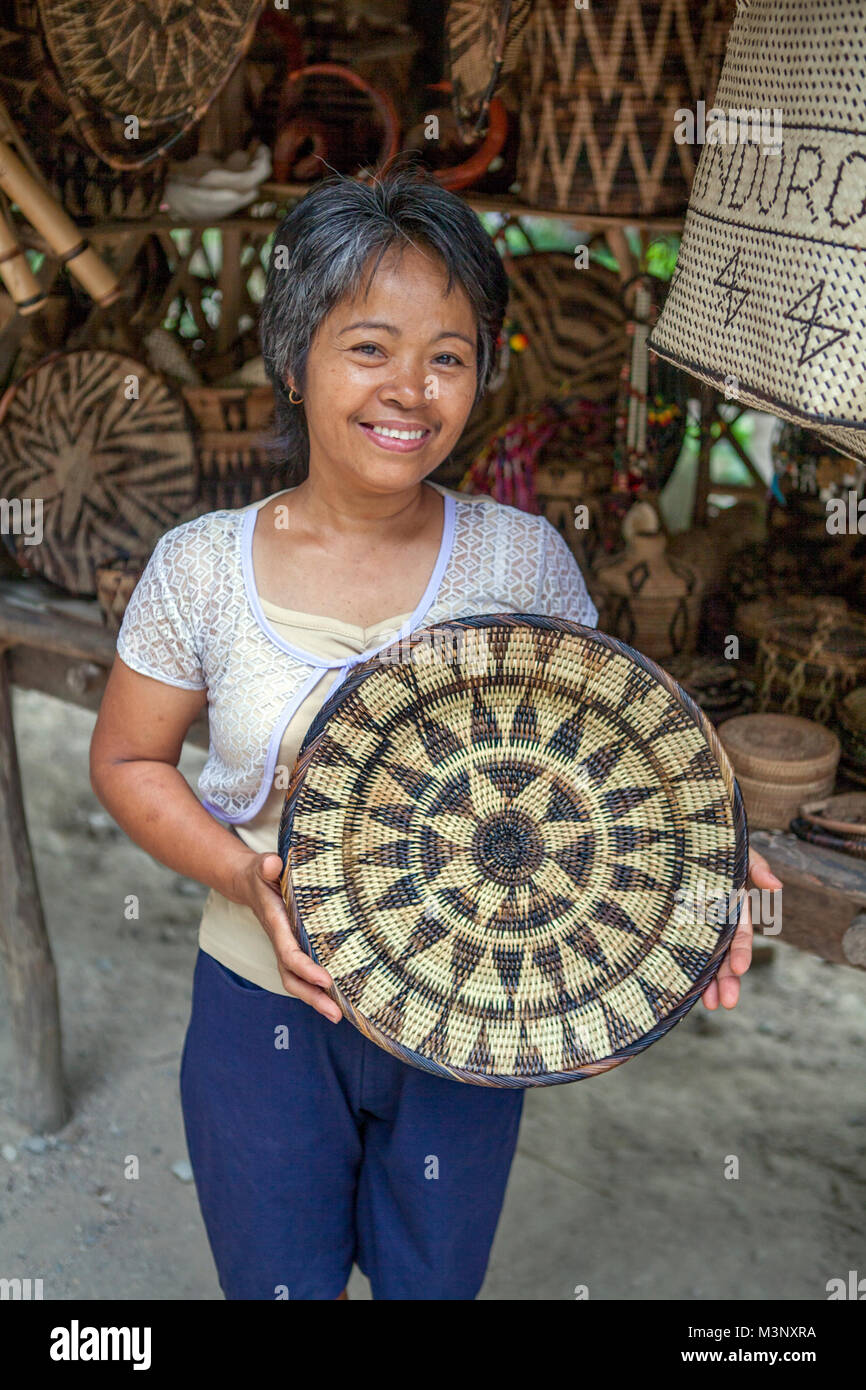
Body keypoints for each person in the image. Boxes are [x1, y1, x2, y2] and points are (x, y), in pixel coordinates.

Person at [89, 163, 778, 1301]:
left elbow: (613, 769)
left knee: (432, 1286)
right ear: (293, 354)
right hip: (265, 1006)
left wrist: (704, 863)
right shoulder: (201, 568)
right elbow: (124, 759)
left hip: (482, 1007)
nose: (410, 389)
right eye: (369, 347)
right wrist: (246, 872)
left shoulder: (520, 561)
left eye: (447, 356)